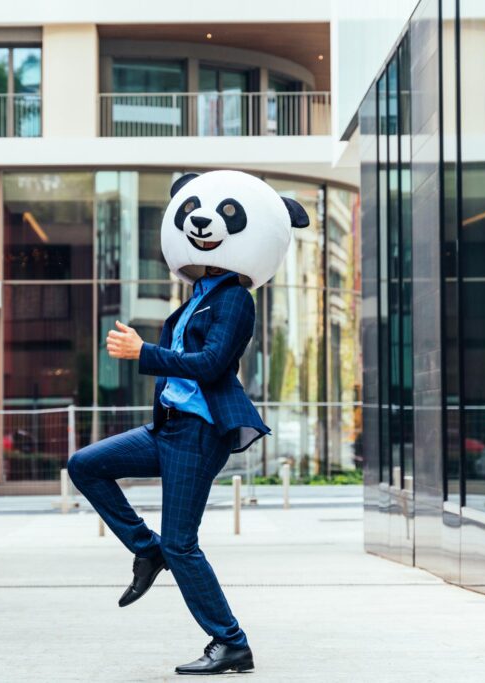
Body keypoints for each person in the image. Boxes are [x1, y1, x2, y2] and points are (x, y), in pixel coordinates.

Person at [67, 170, 308, 675]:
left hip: (198, 433)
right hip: (168, 429)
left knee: (183, 543)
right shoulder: (197, 294)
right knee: (85, 465)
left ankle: (231, 642)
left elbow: (213, 363)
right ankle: (145, 550)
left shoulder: (236, 299)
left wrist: (143, 351)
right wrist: (148, 349)